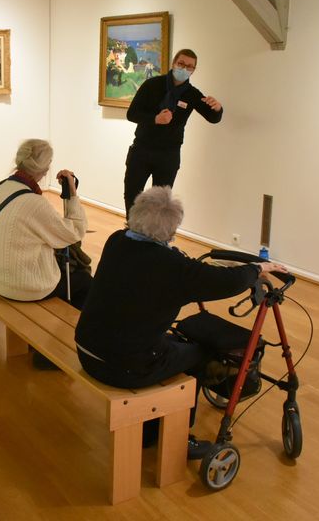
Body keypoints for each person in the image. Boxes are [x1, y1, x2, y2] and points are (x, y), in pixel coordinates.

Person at [74, 186, 286, 458]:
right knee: (199, 356)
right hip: (120, 367)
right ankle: (177, 439)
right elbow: (226, 282)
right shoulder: (172, 266)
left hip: (87, 349)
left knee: (172, 342)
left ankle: (151, 430)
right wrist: (258, 268)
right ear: (171, 231)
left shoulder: (117, 241)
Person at [0, 139, 91, 308]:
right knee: (84, 280)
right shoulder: (34, 203)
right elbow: (75, 231)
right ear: (46, 168)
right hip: (25, 288)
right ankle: (68, 323)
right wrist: (72, 192)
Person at [124, 49, 223, 215]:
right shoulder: (152, 85)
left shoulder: (192, 94)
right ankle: (131, 229)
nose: (184, 69)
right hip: (142, 150)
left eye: (189, 67)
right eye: (181, 64)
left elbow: (213, 118)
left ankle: (155, 232)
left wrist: (218, 108)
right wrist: (155, 119)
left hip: (168, 156)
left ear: (193, 70)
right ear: (173, 63)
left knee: (161, 203)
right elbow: (132, 114)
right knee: (132, 195)